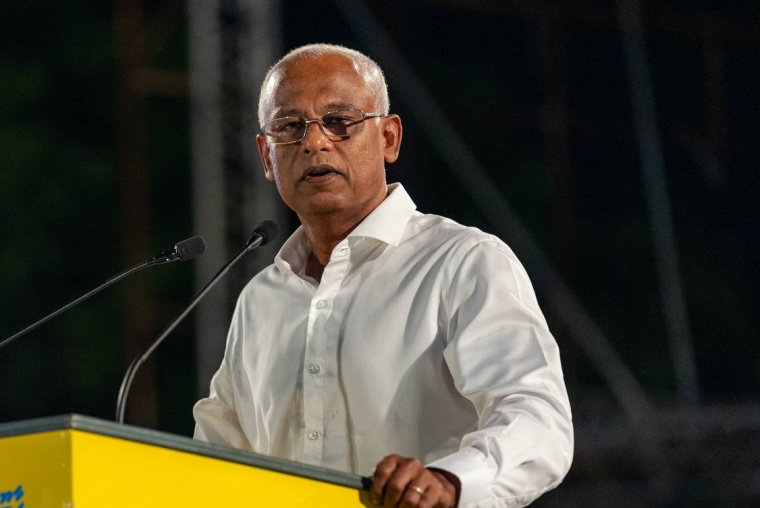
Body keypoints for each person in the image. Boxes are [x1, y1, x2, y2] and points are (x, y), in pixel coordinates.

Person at [193, 43, 573, 508]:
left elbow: (536, 417)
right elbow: (214, 459)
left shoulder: (461, 262)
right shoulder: (261, 300)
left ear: (389, 138)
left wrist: (450, 482)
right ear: (267, 157)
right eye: (290, 127)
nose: (314, 143)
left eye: (339, 121)